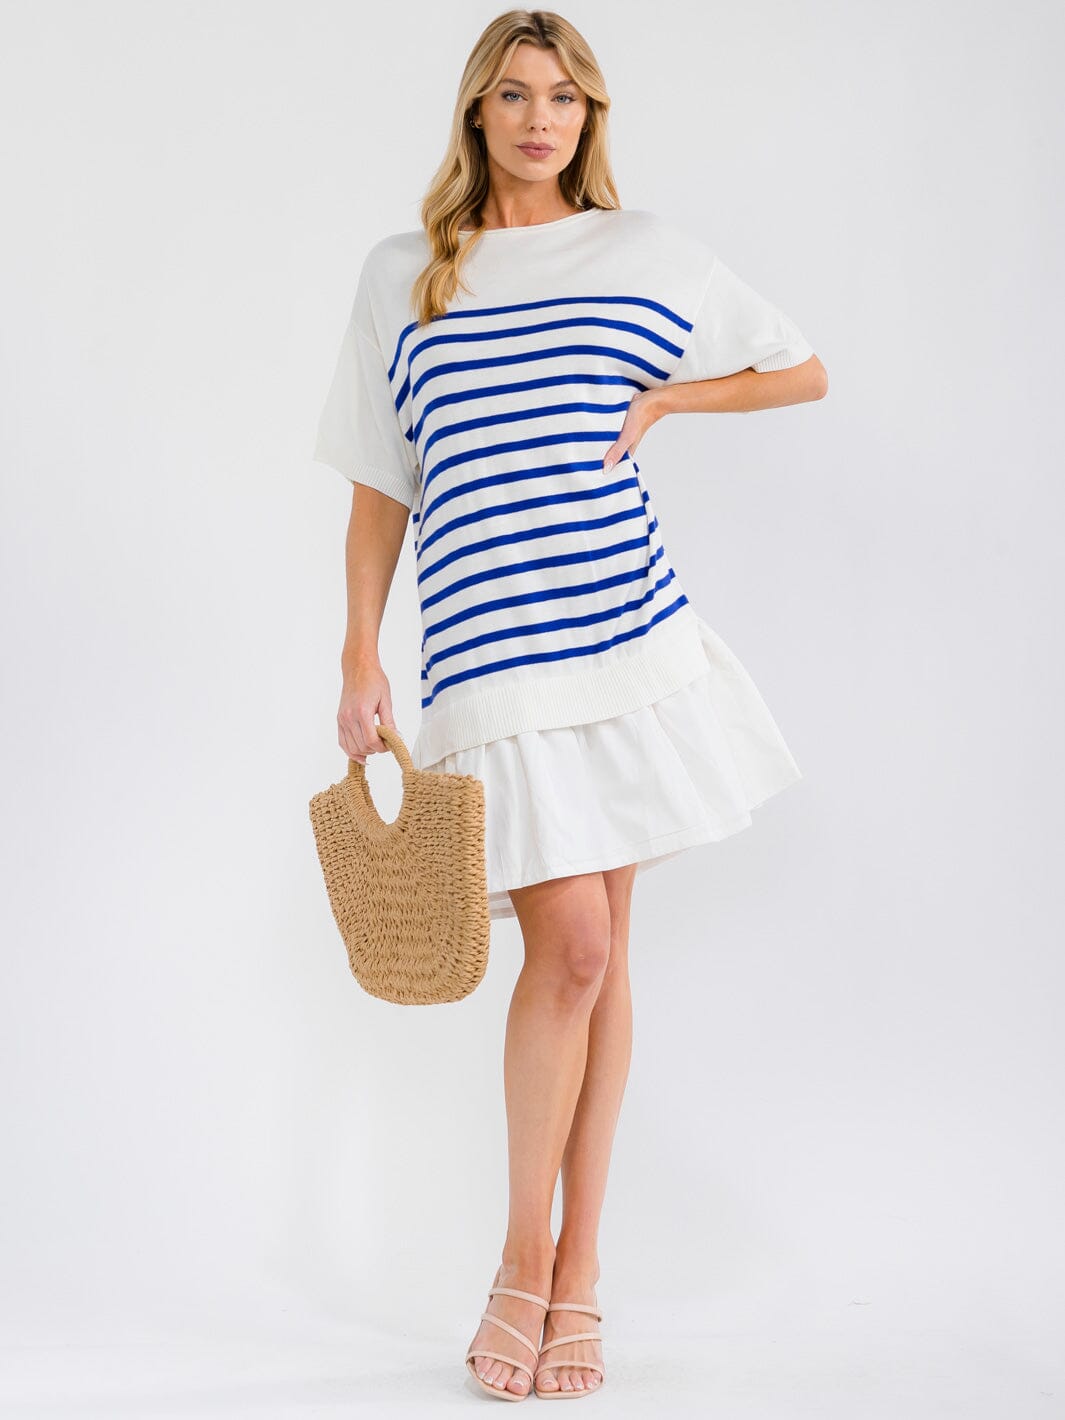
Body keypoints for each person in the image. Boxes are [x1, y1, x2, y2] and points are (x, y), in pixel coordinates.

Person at [311, 9, 827, 1402]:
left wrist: (668, 403)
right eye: (514, 94)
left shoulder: (639, 253)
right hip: (488, 651)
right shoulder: (404, 274)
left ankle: (573, 1271)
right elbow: (379, 485)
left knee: (602, 957)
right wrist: (359, 654)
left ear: (589, 118)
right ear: (474, 113)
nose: (541, 119)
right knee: (575, 948)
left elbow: (799, 367)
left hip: (627, 632)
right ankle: (521, 1261)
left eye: (565, 98)